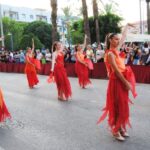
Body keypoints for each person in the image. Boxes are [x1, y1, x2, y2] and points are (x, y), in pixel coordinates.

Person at [97, 25, 137, 141]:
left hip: (121, 80)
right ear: (110, 40)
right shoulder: (110, 54)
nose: (118, 41)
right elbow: (116, 71)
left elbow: (124, 37)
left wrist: (126, 26)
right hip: (117, 81)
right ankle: (115, 130)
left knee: (123, 105)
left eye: (118, 39)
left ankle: (120, 127)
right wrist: (126, 83)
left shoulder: (116, 50)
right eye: (115, 39)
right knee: (118, 105)